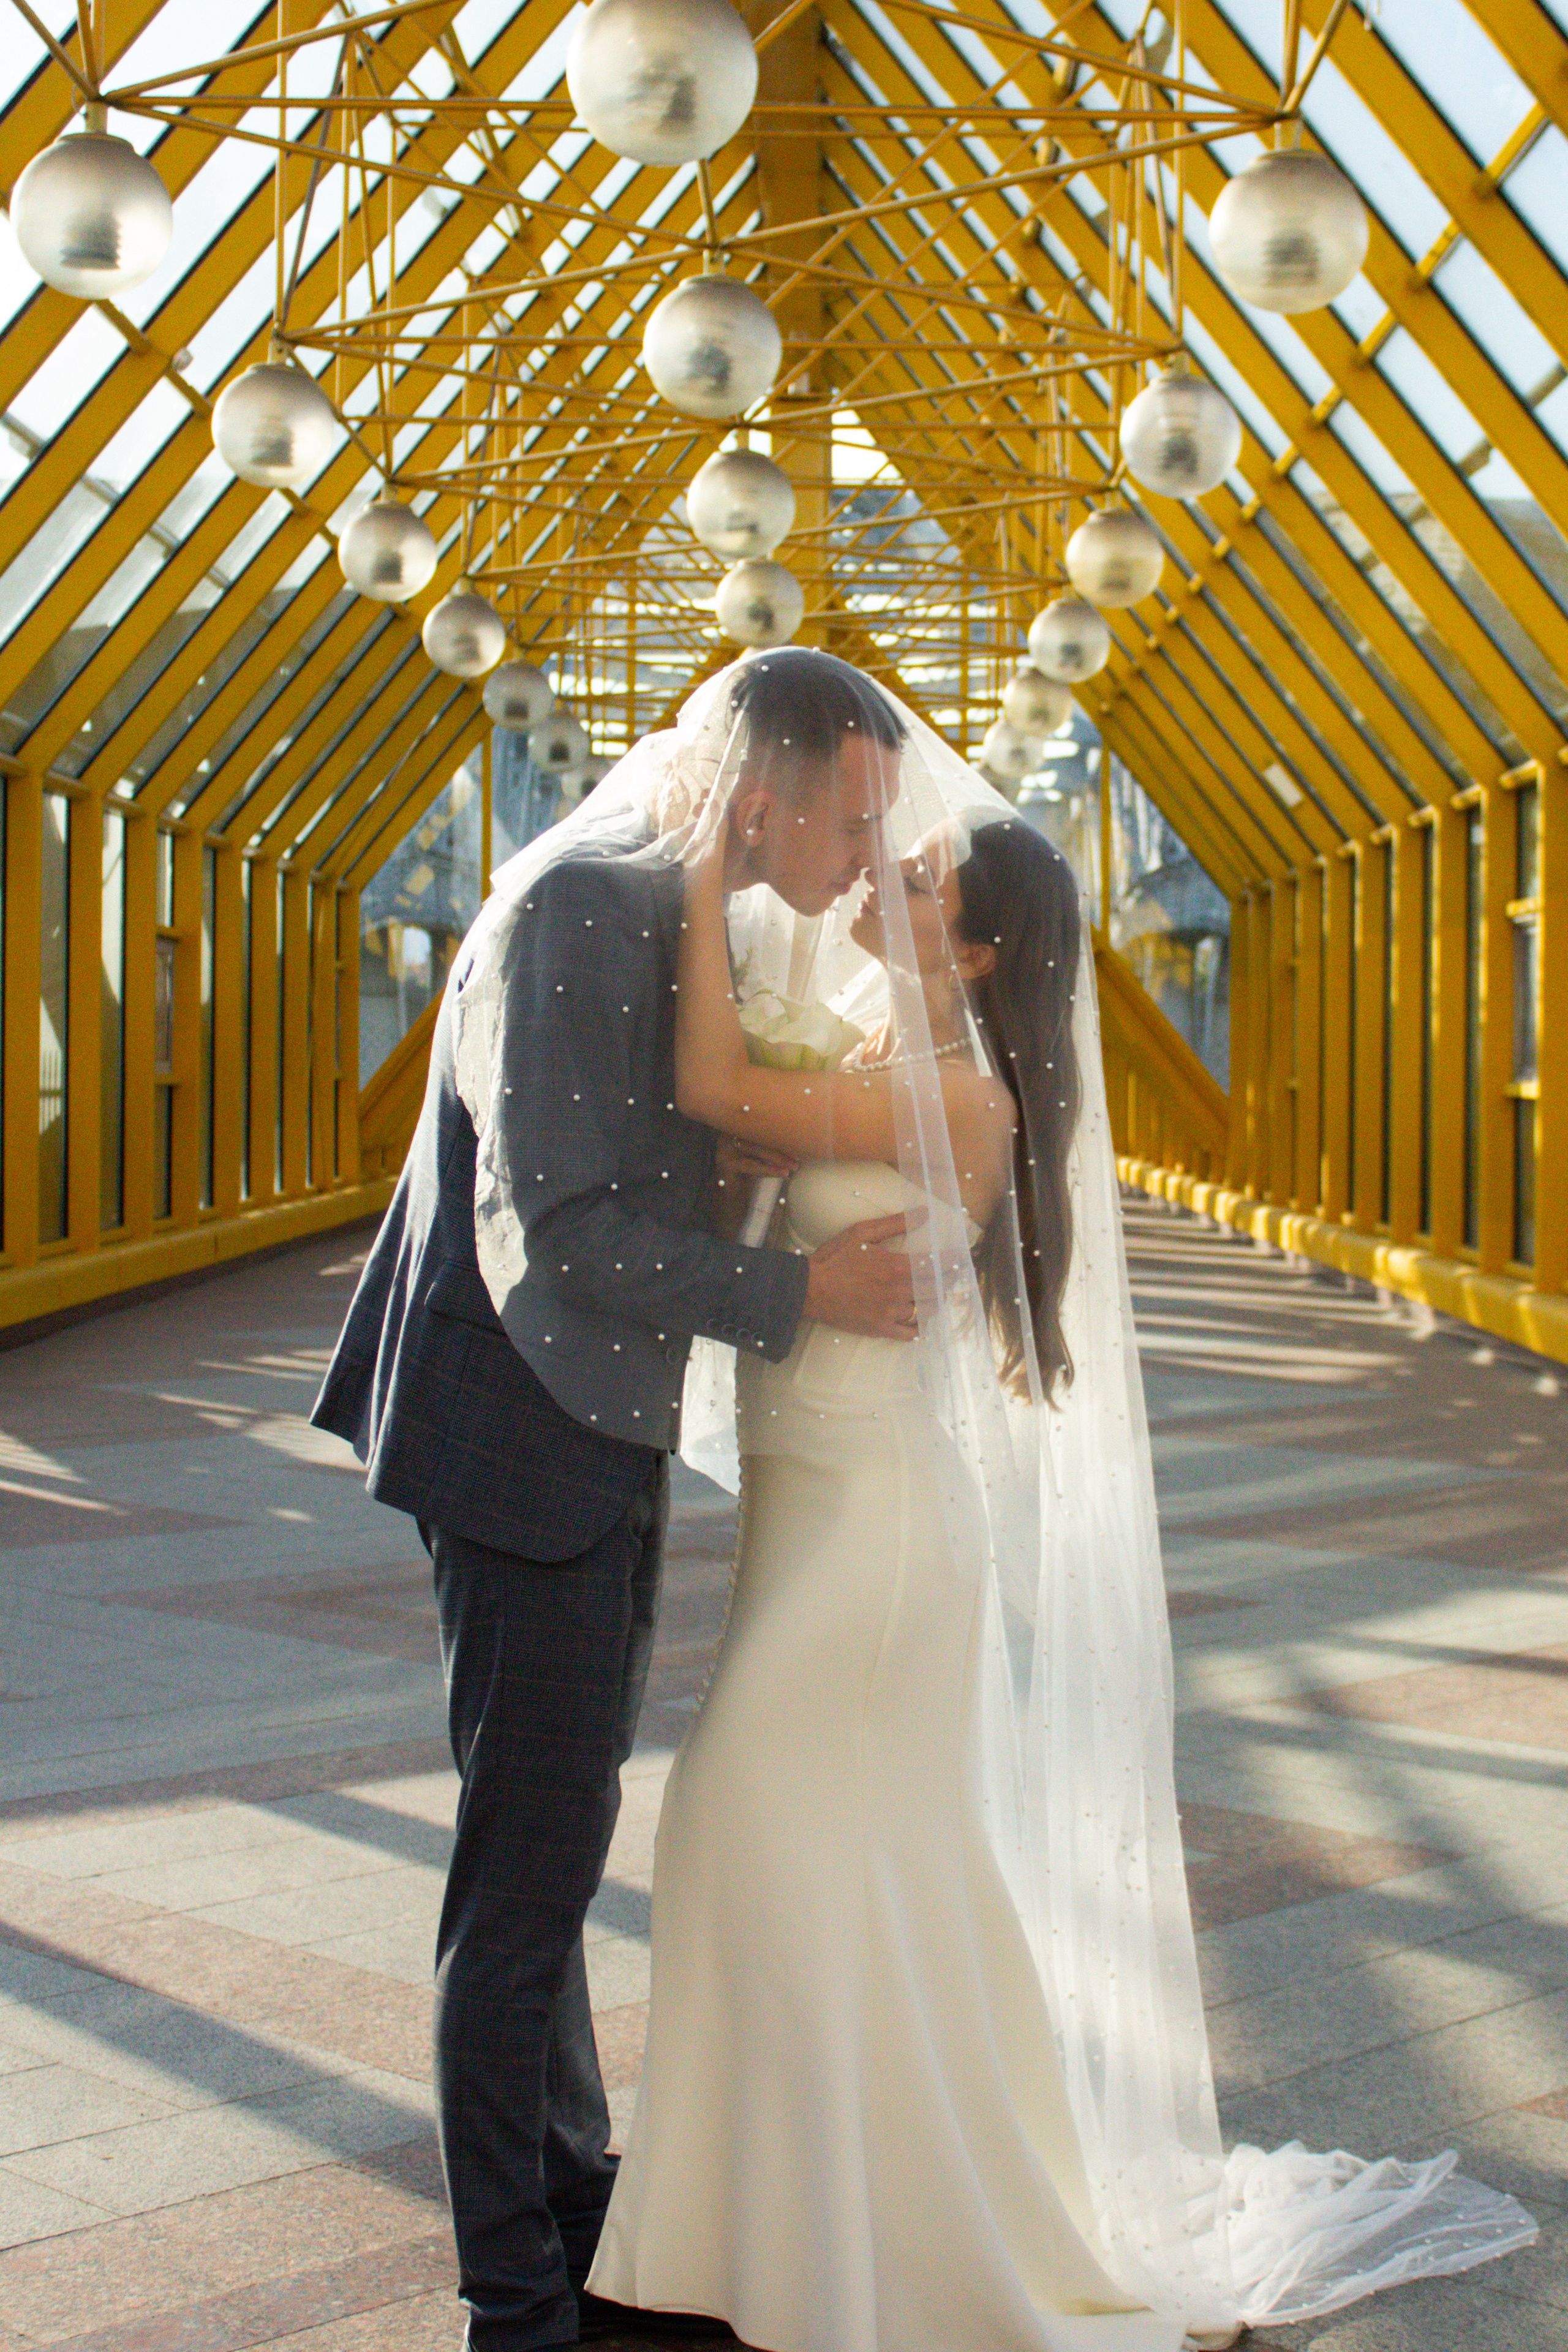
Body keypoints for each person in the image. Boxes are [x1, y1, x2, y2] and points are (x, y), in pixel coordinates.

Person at [560, 652, 1534, 2351]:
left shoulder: (954, 1100)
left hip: (872, 1550)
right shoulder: (871, 1049)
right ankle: (798, 2230)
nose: (882, 871)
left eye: (919, 876)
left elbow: (718, 1089)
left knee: (748, 1834)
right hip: (824, 1517)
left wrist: (715, 867)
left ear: (986, 952)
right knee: (862, 1869)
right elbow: (729, 1168)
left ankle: (849, 2235)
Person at [309, 652, 924, 2352]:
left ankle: (575, 2208)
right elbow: (563, 1226)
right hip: (521, 1437)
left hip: (583, 1421)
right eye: (854, 818)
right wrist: (805, 1300)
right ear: (762, 795)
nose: (868, 855)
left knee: (556, 1845)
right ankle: (518, 2295)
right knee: (525, 1876)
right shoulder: (586, 907)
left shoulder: (665, 909)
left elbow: (613, 1165)